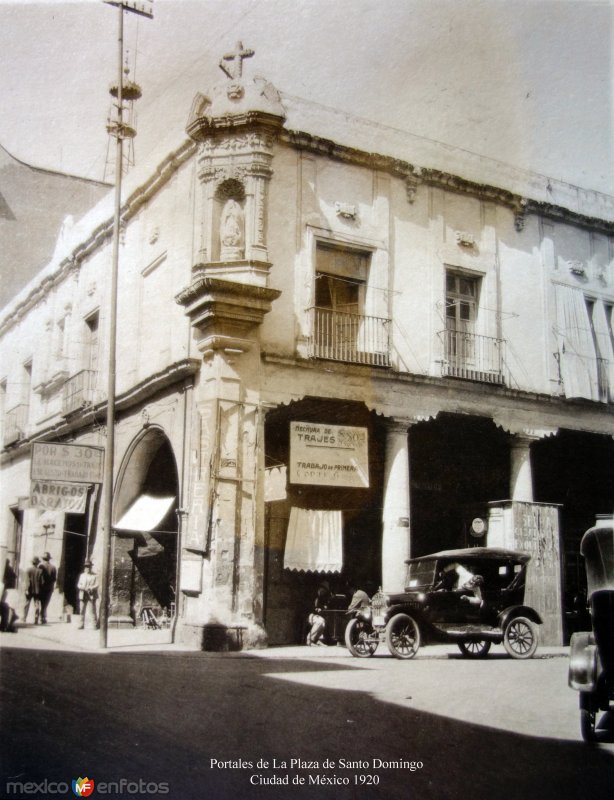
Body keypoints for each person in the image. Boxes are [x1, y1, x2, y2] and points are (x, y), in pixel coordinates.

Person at [306, 580, 331, 646]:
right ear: (320, 588)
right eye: (323, 590)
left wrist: (323, 607)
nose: (324, 592)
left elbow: (321, 607)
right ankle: (310, 640)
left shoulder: (321, 597)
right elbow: (310, 608)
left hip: (316, 615)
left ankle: (317, 639)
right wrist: (316, 609)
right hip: (310, 615)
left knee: (323, 622)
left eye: (325, 591)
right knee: (320, 621)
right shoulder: (313, 596)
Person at [77, 559, 99, 630]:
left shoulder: (94, 575)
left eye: (89, 567)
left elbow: (97, 584)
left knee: (92, 610)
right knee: (81, 610)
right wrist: (83, 588)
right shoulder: (82, 575)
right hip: (83, 594)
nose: (88, 568)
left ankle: (94, 624)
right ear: (84, 568)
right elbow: (78, 585)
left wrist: (91, 588)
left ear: (91, 567)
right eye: (86, 567)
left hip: (91, 594)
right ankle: (81, 624)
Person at [38, 552, 57, 625]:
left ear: (43, 559)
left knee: (41, 602)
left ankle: (40, 616)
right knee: (45, 603)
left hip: (41, 587)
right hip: (49, 588)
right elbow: (54, 578)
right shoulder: (53, 567)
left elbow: (39, 577)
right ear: (49, 559)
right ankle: (43, 617)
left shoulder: (40, 566)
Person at [0, 559, 19, 633]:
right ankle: (4, 626)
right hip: (7, 590)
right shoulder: (10, 569)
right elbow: (14, 577)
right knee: (6, 607)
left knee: (5, 607)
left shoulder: (5, 569)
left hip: (6, 590)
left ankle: (5, 625)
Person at [23, 556, 42, 624]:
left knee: (27, 603)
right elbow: (42, 582)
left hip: (29, 589)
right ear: (37, 563)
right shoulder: (40, 571)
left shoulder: (28, 570)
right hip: (37, 590)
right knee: (37, 604)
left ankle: (24, 618)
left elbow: (27, 581)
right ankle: (36, 619)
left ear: (32, 563)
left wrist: (26, 589)